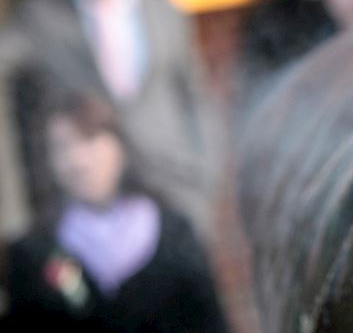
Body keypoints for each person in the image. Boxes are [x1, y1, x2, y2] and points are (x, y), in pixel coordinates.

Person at [4, 0, 221, 235]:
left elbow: (194, 91)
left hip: (173, 176)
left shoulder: (165, 7)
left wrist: (207, 165)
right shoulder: (44, 17)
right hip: (87, 186)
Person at [2, 92, 228, 331]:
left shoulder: (174, 234)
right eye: (62, 146)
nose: (78, 160)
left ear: (120, 148)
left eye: (89, 139)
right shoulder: (34, 254)